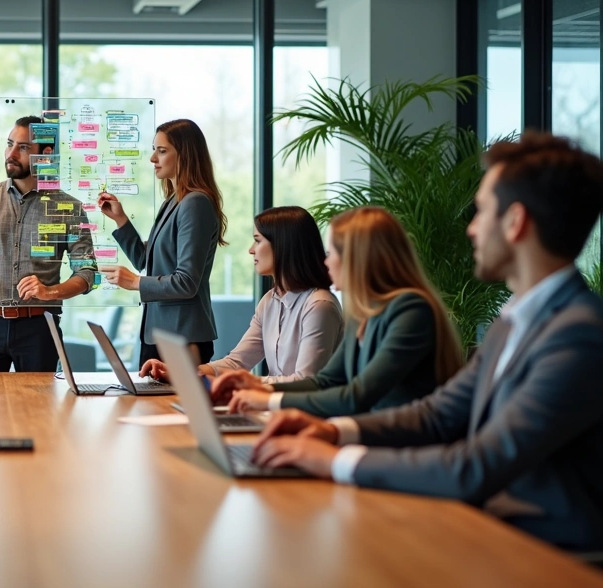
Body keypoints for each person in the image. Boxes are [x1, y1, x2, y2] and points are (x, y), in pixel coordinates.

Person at [250, 131, 603, 551]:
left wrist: (337, 459)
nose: (471, 228)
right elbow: (437, 414)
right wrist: (332, 431)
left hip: (546, 553)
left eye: (481, 211)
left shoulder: (577, 334)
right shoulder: (514, 321)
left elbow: (477, 465)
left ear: (515, 222)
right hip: (489, 527)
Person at [212, 206, 463, 417]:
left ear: (357, 258)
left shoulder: (412, 312)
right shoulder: (363, 314)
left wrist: (266, 398)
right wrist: (259, 387)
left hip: (400, 444)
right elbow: (326, 381)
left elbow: (357, 395)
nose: (325, 261)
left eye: (331, 253)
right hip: (371, 435)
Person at [0, 116, 97, 372]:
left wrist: (50, 292)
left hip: (39, 329)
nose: (11, 154)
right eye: (10, 144)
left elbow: (87, 272)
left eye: (23, 147)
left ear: (45, 155)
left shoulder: (69, 208)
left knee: (39, 399)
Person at [139, 206, 343, 384]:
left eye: (257, 241)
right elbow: (236, 362)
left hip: (302, 412)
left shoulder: (319, 305)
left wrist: (246, 383)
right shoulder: (270, 301)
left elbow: (305, 381)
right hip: (273, 406)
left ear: (283, 245)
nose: (251, 250)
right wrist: (183, 372)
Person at [97, 119, 227, 368]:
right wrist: (121, 220)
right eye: (154, 149)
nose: (153, 158)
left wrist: (135, 282)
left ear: (185, 155)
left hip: (182, 336)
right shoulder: (174, 201)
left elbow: (186, 282)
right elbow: (145, 260)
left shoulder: (195, 203)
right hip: (161, 334)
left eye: (162, 151)